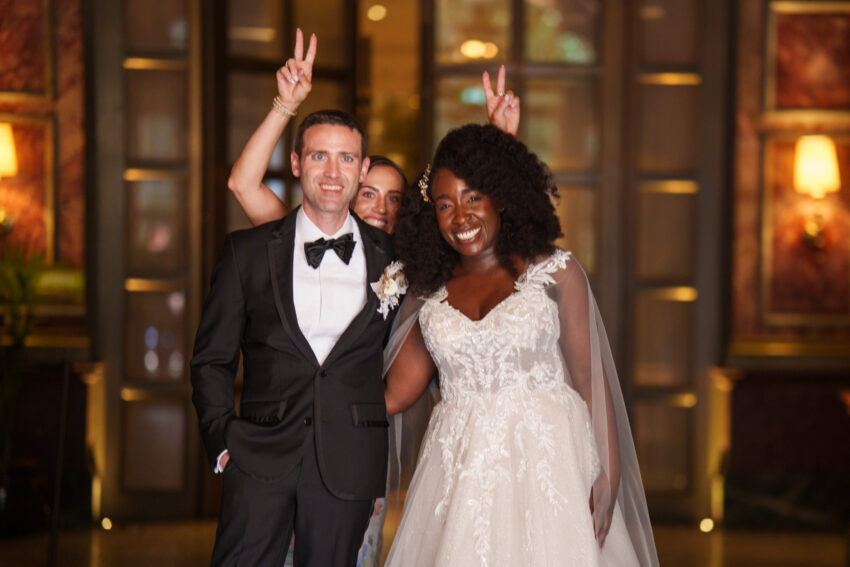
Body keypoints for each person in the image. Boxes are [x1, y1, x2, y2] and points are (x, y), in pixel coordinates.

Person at [382, 124, 660, 566]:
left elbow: (589, 376)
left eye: (473, 197)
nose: (461, 216)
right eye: (445, 204)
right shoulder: (428, 291)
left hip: (549, 461)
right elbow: (394, 393)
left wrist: (610, 469)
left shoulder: (555, 272)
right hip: (461, 469)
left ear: (501, 197)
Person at [190, 29, 399, 566]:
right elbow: (211, 359)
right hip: (257, 459)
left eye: (347, 159)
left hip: (348, 466)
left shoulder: (393, 259)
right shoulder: (252, 250)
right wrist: (222, 441)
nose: (334, 172)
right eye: (321, 158)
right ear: (299, 162)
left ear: (362, 166)